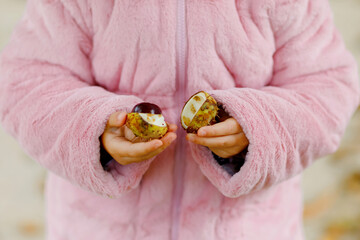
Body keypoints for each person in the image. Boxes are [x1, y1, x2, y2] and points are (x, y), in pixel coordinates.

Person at [0, 0, 358, 239]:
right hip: (98, 228)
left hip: (249, 228)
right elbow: (26, 81)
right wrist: (95, 133)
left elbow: (328, 87)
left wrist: (258, 127)